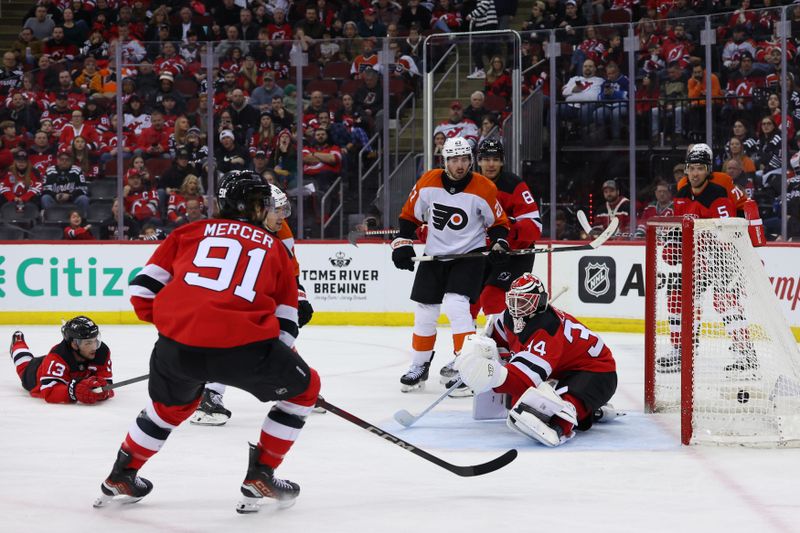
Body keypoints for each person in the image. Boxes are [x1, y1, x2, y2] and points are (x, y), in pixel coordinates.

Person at [94, 171, 320, 512]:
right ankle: (261, 475)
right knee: (305, 391)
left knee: (166, 411)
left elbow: (141, 292)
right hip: (245, 350)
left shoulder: (187, 232)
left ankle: (121, 476)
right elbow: (287, 323)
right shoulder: (275, 248)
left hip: (177, 347)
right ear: (256, 207)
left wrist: (182, 325)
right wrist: (280, 360)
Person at [391, 136, 510, 393]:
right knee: (425, 312)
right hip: (435, 255)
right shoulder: (428, 181)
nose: (460, 165)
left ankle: (466, 366)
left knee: (457, 306)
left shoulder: (484, 187)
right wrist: (403, 242)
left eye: (465, 159)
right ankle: (419, 365)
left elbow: (499, 224)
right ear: (444, 161)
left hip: (469, 256)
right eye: (454, 159)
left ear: (470, 160)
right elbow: (410, 215)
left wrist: (500, 244)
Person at [191, 184, 315, 425]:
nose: (283, 216)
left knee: (277, 334)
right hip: (226, 294)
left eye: (284, 210)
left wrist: (299, 296)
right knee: (235, 338)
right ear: (259, 210)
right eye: (277, 211)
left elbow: (289, 270)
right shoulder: (238, 231)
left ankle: (295, 384)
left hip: (256, 289)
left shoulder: (281, 229)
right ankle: (210, 395)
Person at [454, 274, 617, 447]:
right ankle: (592, 411)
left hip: (597, 371)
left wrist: (488, 374)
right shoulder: (507, 317)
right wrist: (487, 354)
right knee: (516, 403)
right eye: (514, 300)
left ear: (539, 302)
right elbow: (498, 341)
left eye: (524, 302)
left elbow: (522, 381)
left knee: (557, 409)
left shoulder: (547, 329)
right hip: (564, 370)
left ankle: (563, 426)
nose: (517, 308)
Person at [449, 139, 542, 394]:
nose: (490, 164)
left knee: (492, 299)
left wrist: (507, 231)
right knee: (465, 304)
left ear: (502, 161)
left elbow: (534, 226)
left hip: (514, 255)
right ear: (478, 161)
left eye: (495, 159)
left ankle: (501, 357)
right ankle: (466, 357)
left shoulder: (514, 185)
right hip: (483, 254)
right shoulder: (469, 185)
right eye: (486, 159)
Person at [658, 144, 759, 373]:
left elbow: (727, 232)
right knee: (677, 295)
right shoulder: (682, 190)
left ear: (708, 170)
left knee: (725, 302)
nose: (695, 173)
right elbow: (682, 223)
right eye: (691, 168)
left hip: (724, 253)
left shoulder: (720, 190)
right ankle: (681, 350)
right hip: (698, 252)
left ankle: (745, 352)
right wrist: (674, 242)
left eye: (700, 168)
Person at [9, 316, 113, 404]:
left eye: (95, 341)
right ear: (74, 344)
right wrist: (73, 391)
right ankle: (18, 342)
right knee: (23, 363)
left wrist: (103, 390)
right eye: (88, 343)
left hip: (52, 365)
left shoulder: (102, 352)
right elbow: (49, 392)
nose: (94, 347)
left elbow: (107, 384)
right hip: (35, 373)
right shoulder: (57, 357)